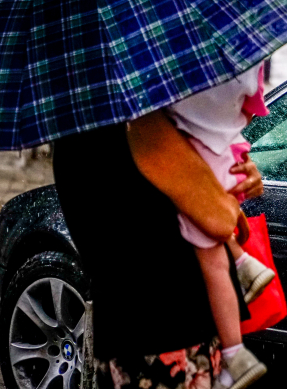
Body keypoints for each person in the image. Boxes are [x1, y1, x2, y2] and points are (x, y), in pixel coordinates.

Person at [53, 103, 264, 389]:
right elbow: (219, 221)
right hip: (172, 329)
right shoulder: (146, 128)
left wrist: (233, 174)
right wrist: (227, 183)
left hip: (127, 330)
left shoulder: (73, 139)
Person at [163, 63, 274, 389]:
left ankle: (236, 351)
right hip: (227, 150)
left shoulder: (162, 90)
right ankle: (242, 263)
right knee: (214, 234)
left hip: (164, 327)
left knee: (209, 253)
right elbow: (254, 106)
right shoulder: (240, 56)